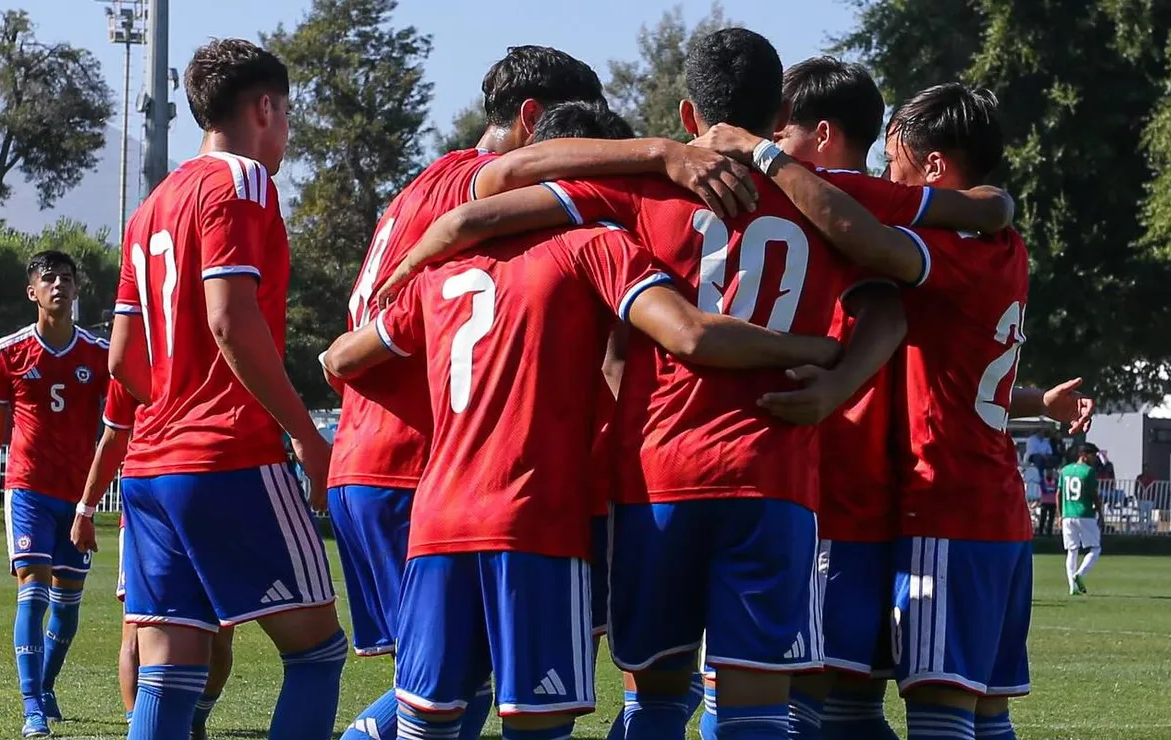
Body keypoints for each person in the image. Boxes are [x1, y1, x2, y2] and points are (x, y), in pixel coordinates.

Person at [379, 31, 1014, 740]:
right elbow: (915, 284)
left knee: (655, 702)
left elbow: (499, 185)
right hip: (773, 473)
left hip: (657, 478)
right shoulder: (830, 196)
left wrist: (650, 155)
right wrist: (835, 386)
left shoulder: (645, 186)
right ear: (777, 113)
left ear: (688, 113)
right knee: (758, 711)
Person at [321, 167, 843, 740]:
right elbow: (687, 334)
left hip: (437, 521)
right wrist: (822, 349)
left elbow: (342, 359)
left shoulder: (440, 272)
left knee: (425, 723)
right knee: (537, 725)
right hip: (534, 522)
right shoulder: (594, 247)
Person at [328, 45, 753, 740]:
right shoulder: (495, 198)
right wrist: (663, 155)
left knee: (444, 697)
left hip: (406, 466)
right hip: (463, 470)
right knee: (516, 694)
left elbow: (340, 356)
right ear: (534, 121)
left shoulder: (425, 190)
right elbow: (679, 335)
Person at [733, 82, 1095, 740]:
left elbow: (865, 237)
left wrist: (762, 156)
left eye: (895, 159)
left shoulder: (958, 244)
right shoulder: (1001, 240)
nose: (886, 175)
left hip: (945, 510)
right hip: (988, 512)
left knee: (940, 716)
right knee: (970, 715)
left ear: (934, 167)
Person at [108, 39, 344, 740]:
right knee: (319, 652)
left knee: (170, 677)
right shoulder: (243, 181)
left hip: (149, 468)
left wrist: (177, 402)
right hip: (227, 457)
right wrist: (306, 435)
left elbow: (124, 359)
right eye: (289, 115)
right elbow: (230, 318)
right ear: (266, 107)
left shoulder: (150, 207)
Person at [0, 250, 110, 738]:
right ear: (32, 291)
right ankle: (31, 705)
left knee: (68, 604)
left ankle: (47, 684)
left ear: (77, 290)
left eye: (67, 279)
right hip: (27, 487)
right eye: (48, 279)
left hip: (78, 499)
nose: (59, 285)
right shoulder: (6, 352)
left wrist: (98, 498)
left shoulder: (98, 354)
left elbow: (117, 427)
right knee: (32, 590)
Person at [69, 380, 234, 740]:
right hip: (149, 513)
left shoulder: (223, 351)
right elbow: (113, 436)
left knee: (221, 636)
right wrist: (86, 507)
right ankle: (138, 726)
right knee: (138, 633)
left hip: (214, 502)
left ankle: (195, 721)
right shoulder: (135, 360)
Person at [1058, 443, 1103, 595]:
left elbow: (1059, 494)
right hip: (1084, 513)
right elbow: (1093, 494)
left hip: (1067, 515)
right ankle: (1079, 574)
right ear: (1083, 455)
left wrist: (1060, 514)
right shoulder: (1088, 471)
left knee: (1072, 550)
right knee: (1095, 548)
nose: (1094, 459)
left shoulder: (1065, 470)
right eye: (1092, 455)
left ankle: (1072, 585)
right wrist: (1100, 512)